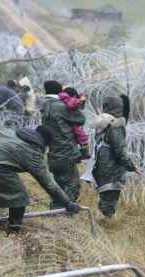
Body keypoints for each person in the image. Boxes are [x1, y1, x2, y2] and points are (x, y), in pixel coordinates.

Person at [0, 125, 80, 233]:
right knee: (20, 198)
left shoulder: (13, 133)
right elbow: (49, 184)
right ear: (45, 143)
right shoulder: (32, 152)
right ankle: (13, 231)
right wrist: (67, 203)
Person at [41, 80, 86, 209]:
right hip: (66, 153)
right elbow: (81, 119)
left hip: (53, 153)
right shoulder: (61, 106)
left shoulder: (45, 105)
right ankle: (64, 213)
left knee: (58, 184)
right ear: (59, 91)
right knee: (72, 184)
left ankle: (55, 209)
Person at [91, 95, 137, 218]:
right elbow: (119, 150)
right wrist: (131, 166)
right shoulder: (115, 124)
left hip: (101, 163)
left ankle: (103, 219)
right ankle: (106, 222)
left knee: (105, 193)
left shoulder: (102, 122)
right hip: (112, 166)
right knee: (111, 195)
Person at [58, 87, 90, 159]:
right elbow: (71, 104)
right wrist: (78, 100)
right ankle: (84, 151)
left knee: (80, 135)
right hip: (71, 122)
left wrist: (81, 100)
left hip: (71, 121)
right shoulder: (67, 99)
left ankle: (83, 150)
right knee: (81, 135)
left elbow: (80, 107)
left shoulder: (63, 98)